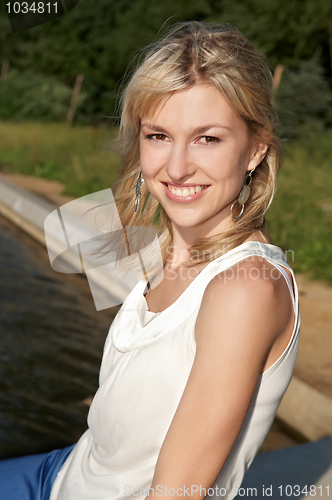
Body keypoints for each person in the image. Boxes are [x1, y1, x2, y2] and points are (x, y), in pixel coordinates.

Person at [0, 21, 300, 500]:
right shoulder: (166, 243)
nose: (176, 167)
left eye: (208, 138)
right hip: (67, 470)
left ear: (256, 149)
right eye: (158, 135)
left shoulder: (245, 288)